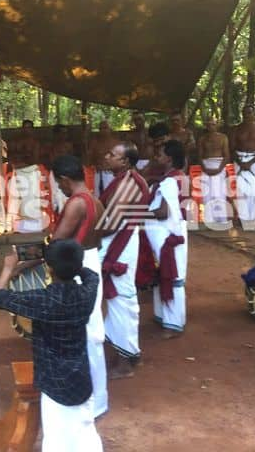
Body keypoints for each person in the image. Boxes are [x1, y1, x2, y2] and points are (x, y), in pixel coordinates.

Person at [0, 240, 103, 452]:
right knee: (85, 430)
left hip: (53, 383)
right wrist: (67, 262)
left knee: (56, 438)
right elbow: (91, 275)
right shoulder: (88, 292)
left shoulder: (43, 300)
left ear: (49, 268)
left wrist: (8, 268)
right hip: (81, 378)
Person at [51, 154, 108, 418]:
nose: (59, 189)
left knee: (83, 334)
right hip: (91, 259)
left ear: (64, 179)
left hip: (76, 264)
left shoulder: (76, 203)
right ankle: (99, 400)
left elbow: (58, 241)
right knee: (92, 331)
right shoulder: (95, 200)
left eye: (58, 184)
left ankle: (89, 401)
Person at [97, 141, 149, 379]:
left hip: (120, 245)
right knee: (120, 299)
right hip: (121, 242)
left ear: (126, 161)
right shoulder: (124, 179)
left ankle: (126, 359)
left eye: (112, 154)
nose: (107, 156)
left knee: (121, 300)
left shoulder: (129, 183)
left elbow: (112, 224)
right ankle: (127, 352)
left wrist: (85, 234)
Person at [145, 140, 188, 338]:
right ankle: (163, 315)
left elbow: (163, 212)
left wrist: (140, 214)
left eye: (160, 154)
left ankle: (173, 323)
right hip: (168, 234)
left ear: (169, 158)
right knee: (164, 275)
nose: (157, 157)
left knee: (172, 276)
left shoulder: (170, 182)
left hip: (167, 236)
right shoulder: (178, 177)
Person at [231, 105, 255, 227]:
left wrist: (250, 162)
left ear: (254, 113)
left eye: (249, 112)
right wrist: (241, 162)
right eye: (245, 113)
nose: (247, 115)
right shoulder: (236, 129)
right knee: (242, 189)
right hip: (240, 158)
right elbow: (232, 148)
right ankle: (243, 216)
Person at [198, 116, 231, 227]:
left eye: (213, 124)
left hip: (219, 165)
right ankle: (209, 220)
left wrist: (220, 168)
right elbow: (200, 156)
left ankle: (221, 219)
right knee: (207, 194)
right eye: (208, 124)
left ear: (217, 125)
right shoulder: (202, 139)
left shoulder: (223, 138)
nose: (210, 126)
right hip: (206, 165)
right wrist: (205, 168)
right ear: (206, 126)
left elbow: (226, 155)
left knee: (219, 193)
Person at [87, 121, 118, 197]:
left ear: (110, 129)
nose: (103, 130)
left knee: (111, 196)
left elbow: (120, 160)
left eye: (105, 128)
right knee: (98, 197)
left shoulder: (116, 143)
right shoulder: (94, 143)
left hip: (111, 174)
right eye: (101, 128)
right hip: (98, 174)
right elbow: (89, 161)